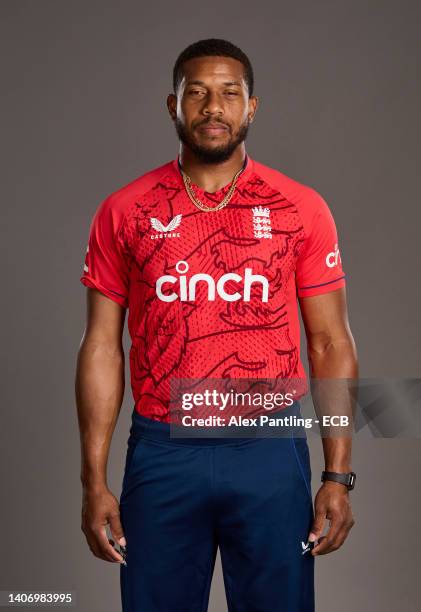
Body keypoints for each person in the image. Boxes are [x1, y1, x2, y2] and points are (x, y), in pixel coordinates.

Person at [76, 38, 358, 612]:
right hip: (162, 449)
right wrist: (94, 481)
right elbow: (102, 346)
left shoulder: (298, 208)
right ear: (172, 105)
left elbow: (330, 344)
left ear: (251, 108)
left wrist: (338, 474)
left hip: (269, 446)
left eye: (230, 93)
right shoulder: (125, 210)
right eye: (197, 92)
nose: (213, 106)